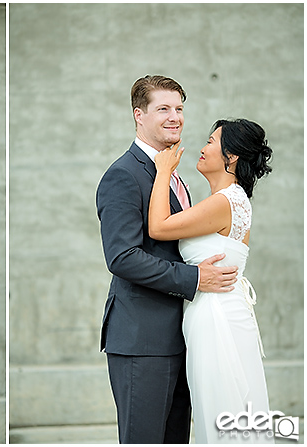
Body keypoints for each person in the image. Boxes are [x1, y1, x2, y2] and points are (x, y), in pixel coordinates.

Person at [96, 75, 239, 444]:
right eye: (163, 109)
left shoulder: (176, 179)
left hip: (182, 337)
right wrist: (194, 279)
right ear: (138, 115)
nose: (175, 116)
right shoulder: (123, 176)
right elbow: (123, 257)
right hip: (142, 339)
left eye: (179, 109)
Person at [148, 119, 273, 443]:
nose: (202, 148)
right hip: (216, 312)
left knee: (221, 410)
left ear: (230, 156)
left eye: (210, 141)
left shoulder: (224, 201)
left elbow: (159, 228)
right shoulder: (228, 198)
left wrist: (163, 171)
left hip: (217, 316)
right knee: (224, 409)